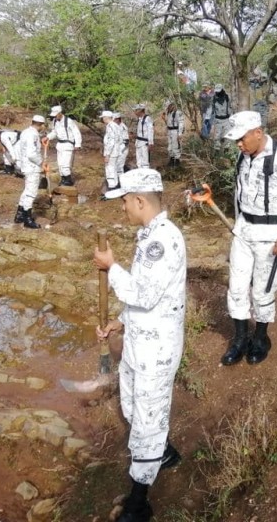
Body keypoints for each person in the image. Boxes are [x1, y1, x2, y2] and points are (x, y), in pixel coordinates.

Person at [94, 168, 186, 522]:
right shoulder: (149, 234)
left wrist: (111, 266)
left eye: (124, 203)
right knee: (133, 406)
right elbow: (146, 291)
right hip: (139, 339)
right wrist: (120, 320)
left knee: (146, 418)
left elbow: (144, 293)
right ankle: (164, 453)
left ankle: (139, 501)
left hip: (156, 348)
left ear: (139, 201)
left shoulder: (163, 240)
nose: (122, 209)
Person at [220, 111, 277, 366]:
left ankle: (260, 338)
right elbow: (240, 194)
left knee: (262, 290)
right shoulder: (243, 156)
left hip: (270, 237)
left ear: (258, 133)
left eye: (242, 139)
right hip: (244, 231)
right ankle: (239, 338)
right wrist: (238, 224)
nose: (238, 144)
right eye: (236, 140)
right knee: (236, 288)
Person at [14, 115, 47, 229]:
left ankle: (19, 215)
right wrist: (41, 163)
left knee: (27, 190)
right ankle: (27, 219)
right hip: (31, 167)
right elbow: (31, 154)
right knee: (31, 193)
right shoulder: (32, 134)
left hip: (26, 166)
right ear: (41, 125)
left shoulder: (25, 132)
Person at [46, 105, 82, 186]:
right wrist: (47, 137)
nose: (55, 116)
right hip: (60, 145)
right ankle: (63, 179)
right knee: (60, 164)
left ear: (60, 113)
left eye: (56, 115)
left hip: (68, 144)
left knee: (65, 164)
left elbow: (76, 133)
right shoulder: (55, 121)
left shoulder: (68, 121)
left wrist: (78, 144)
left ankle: (68, 181)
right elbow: (54, 132)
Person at [101, 111, 122, 191]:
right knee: (113, 168)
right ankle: (115, 185)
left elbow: (111, 141)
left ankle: (112, 187)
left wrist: (107, 154)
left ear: (106, 117)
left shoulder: (110, 126)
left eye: (103, 117)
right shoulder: (115, 125)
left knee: (110, 169)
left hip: (112, 152)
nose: (103, 119)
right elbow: (120, 139)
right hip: (116, 150)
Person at [162, 100, 185, 167]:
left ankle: (177, 161)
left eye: (168, 107)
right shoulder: (169, 113)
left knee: (175, 146)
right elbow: (169, 123)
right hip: (170, 131)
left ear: (171, 105)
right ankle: (171, 160)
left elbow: (181, 123)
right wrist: (164, 119)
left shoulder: (178, 113)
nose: (167, 108)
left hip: (175, 131)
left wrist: (179, 134)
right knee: (170, 146)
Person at [210, 84, 233, 150]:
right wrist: (212, 123)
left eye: (219, 91)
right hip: (217, 120)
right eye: (216, 91)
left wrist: (231, 118)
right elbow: (212, 110)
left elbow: (231, 106)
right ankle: (216, 151)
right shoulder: (214, 98)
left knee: (228, 135)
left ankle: (227, 150)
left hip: (226, 119)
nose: (217, 92)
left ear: (222, 89)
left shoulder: (227, 97)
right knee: (217, 137)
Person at [133, 104, 154, 169]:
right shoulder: (139, 119)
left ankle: (146, 174)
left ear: (140, 110)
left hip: (145, 143)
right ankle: (140, 174)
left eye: (136, 110)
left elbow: (150, 131)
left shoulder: (147, 119)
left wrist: (150, 143)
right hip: (139, 142)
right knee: (139, 160)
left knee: (145, 160)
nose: (135, 112)